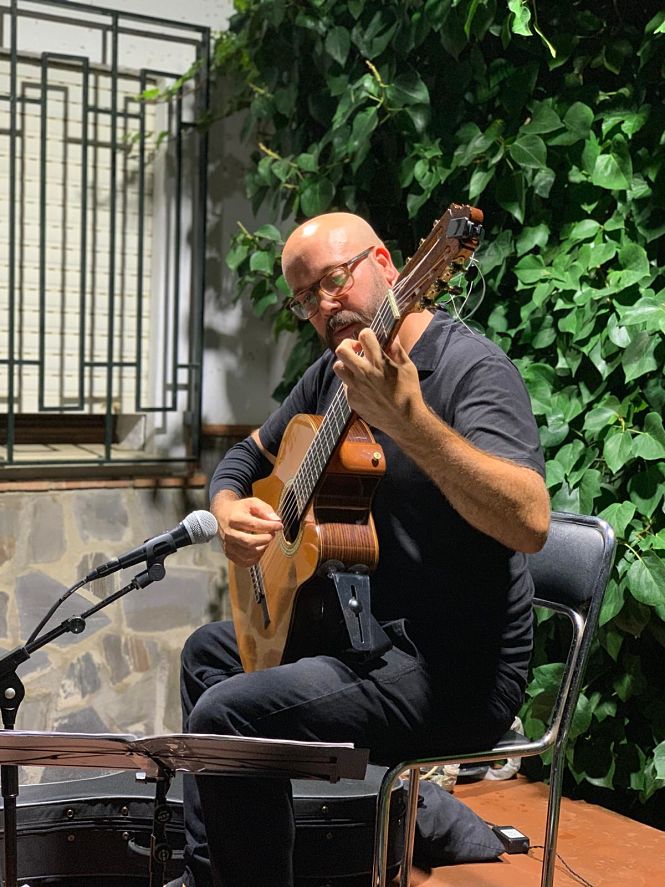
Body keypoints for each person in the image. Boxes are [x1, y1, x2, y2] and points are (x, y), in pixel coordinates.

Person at [171, 211, 551, 887]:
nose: (324, 304)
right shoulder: (331, 376)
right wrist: (229, 510)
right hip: (368, 636)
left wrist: (414, 425)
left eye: (334, 280)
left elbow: (529, 522)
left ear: (387, 263)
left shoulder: (469, 370)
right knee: (209, 656)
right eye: (305, 297)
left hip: (455, 666)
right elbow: (242, 458)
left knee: (227, 713)